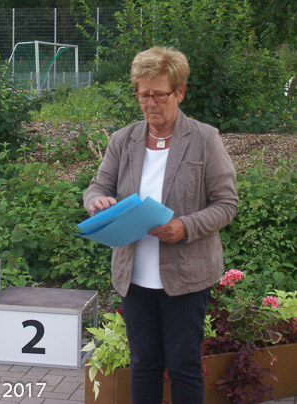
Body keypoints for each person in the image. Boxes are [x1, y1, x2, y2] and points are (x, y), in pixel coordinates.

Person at [83, 46, 238, 404]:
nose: (150, 103)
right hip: (135, 277)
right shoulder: (123, 140)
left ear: (180, 92)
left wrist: (185, 227)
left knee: (184, 365)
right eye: (143, 95)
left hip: (186, 277)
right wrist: (97, 201)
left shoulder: (205, 139)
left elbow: (226, 204)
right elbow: (98, 186)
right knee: (143, 365)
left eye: (159, 95)